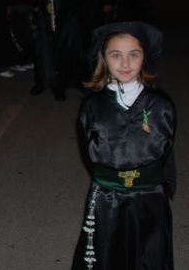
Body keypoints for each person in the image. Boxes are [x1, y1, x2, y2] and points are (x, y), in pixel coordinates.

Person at [72, 21, 175, 269]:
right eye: (116, 55)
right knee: (108, 253)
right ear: (104, 59)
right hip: (108, 197)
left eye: (134, 55)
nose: (125, 64)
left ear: (145, 57)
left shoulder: (161, 104)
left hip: (150, 195)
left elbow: (167, 152)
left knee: (149, 254)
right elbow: (88, 148)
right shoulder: (92, 105)